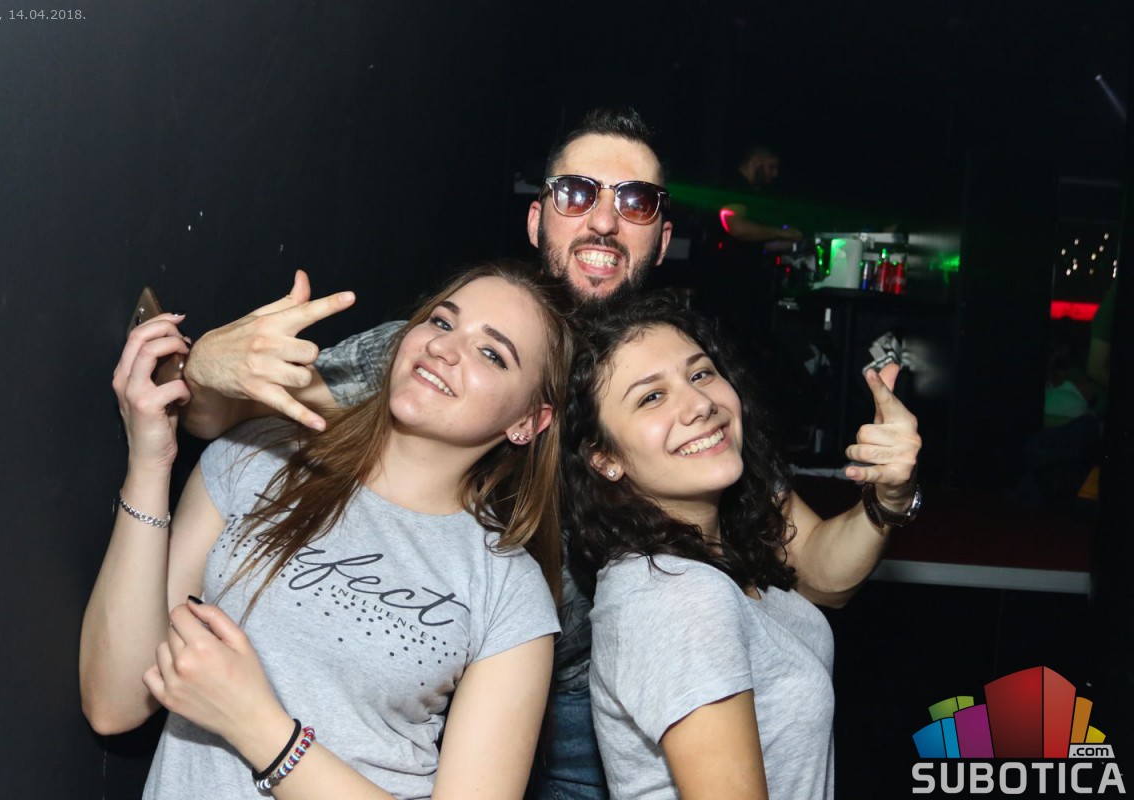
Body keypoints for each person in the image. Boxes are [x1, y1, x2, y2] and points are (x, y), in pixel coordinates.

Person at [172, 107, 910, 800]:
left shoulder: (682, 388)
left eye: (635, 202)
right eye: (578, 193)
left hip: (604, 705)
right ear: (537, 218)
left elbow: (817, 571)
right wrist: (202, 370)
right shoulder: (449, 353)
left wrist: (885, 500)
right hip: (435, 683)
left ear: (661, 238)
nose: (603, 220)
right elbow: (236, 417)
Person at [80, 260, 573, 799]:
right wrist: (151, 462)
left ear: (528, 421)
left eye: (491, 353)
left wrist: (259, 727)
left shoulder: (508, 587)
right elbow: (114, 704)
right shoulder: (260, 456)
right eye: (441, 321)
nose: (444, 348)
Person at [561, 293, 921, 800]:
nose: (700, 403)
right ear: (605, 459)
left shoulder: (711, 554)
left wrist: (890, 496)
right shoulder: (677, 596)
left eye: (701, 373)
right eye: (651, 397)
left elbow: (824, 575)